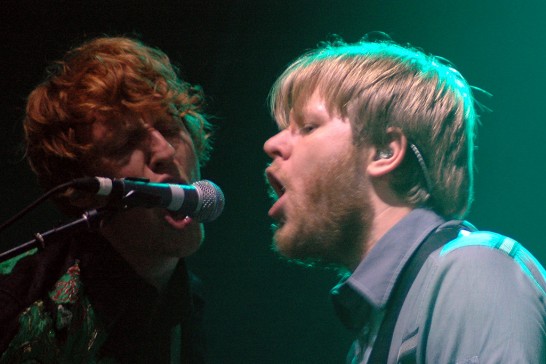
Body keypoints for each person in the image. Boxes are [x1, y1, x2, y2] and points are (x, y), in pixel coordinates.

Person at [263, 33, 546, 363]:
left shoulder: (472, 271)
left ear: (385, 151)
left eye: (309, 126)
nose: (273, 145)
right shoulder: (370, 335)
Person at [0, 36, 214, 363]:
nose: (165, 152)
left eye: (170, 127)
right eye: (126, 142)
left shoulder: (187, 297)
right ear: (84, 190)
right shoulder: (15, 302)